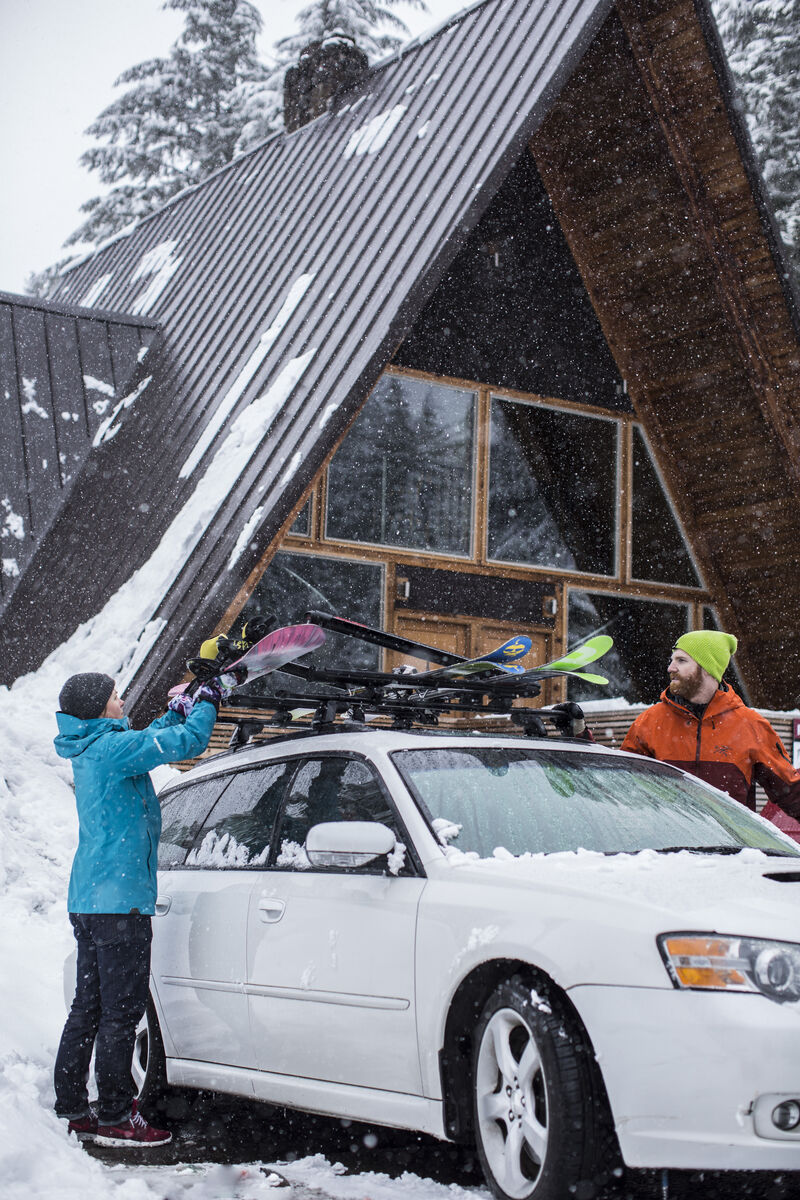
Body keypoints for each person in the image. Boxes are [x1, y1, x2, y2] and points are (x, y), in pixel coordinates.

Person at [53, 671, 222, 1147]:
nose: (122, 699)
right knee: (121, 1011)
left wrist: (177, 709)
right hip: (120, 902)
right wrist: (206, 703)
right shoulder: (111, 751)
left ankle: (71, 1105)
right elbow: (186, 743)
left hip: (90, 900)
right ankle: (114, 1117)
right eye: (114, 696)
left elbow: (151, 737)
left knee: (88, 1006)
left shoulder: (93, 746)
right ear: (98, 707)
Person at [621, 630, 800, 823]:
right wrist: (583, 737)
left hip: (731, 850)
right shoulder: (649, 721)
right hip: (665, 849)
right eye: (672, 660)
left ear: (707, 668)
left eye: (681, 660)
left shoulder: (750, 725)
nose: (671, 668)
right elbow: (616, 781)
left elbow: (790, 792)